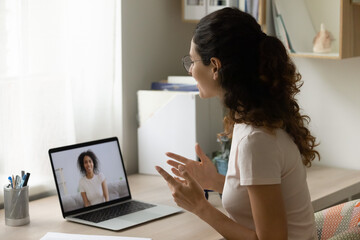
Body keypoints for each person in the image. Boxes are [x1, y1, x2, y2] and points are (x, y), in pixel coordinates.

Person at [155, 7, 320, 240]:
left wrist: (200, 207)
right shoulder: (252, 120)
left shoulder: (256, 140)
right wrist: (216, 182)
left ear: (215, 66)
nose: (191, 70)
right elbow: (259, 194)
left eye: (192, 61)